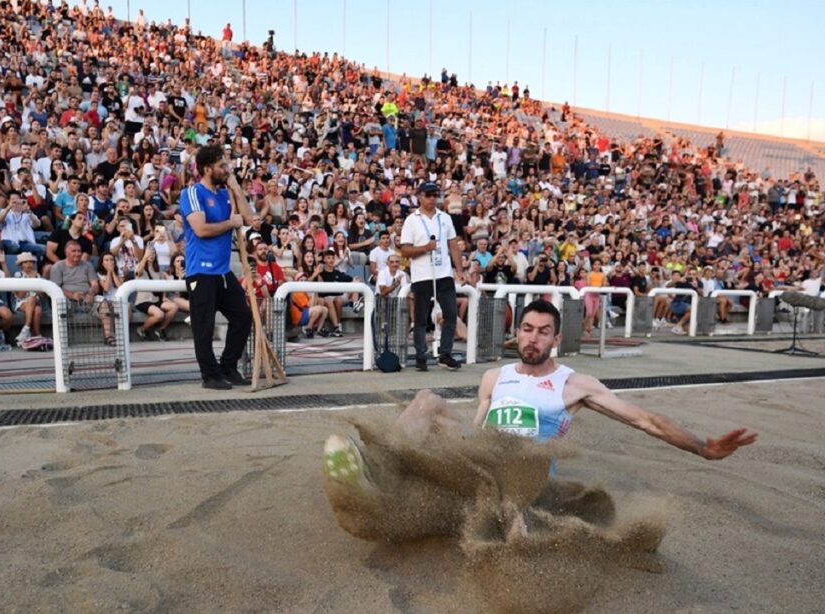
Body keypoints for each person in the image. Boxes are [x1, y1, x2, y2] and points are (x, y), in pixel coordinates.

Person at [322, 300, 758, 541]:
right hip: (481, 460)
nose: (531, 338)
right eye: (526, 329)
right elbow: (475, 429)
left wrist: (702, 446)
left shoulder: (576, 385)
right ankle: (378, 474)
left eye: (542, 331)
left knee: (519, 457)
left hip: (525, 477)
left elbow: (645, 420)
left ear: (556, 338)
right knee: (427, 399)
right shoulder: (495, 376)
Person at [179, 144, 253, 390]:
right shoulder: (193, 193)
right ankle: (209, 375)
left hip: (222, 272)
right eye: (222, 166)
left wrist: (236, 188)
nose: (227, 169)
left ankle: (228, 367)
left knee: (243, 316)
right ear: (208, 168)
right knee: (204, 326)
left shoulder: (225, 193)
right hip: (201, 270)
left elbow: (249, 219)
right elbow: (201, 230)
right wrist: (230, 222)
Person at [398, 182, 465, 371]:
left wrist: (459, 270)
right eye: (428, 195)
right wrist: (425, 248)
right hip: (422, 275)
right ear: (420, 196)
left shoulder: (444, 218)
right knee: (420, 318)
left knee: (451, 314)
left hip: (443, 274)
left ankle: (445, 353)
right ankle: (421, 355)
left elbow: (453, 244)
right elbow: (405, 250)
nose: (432, 198)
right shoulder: (412, 220)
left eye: (435, 195)